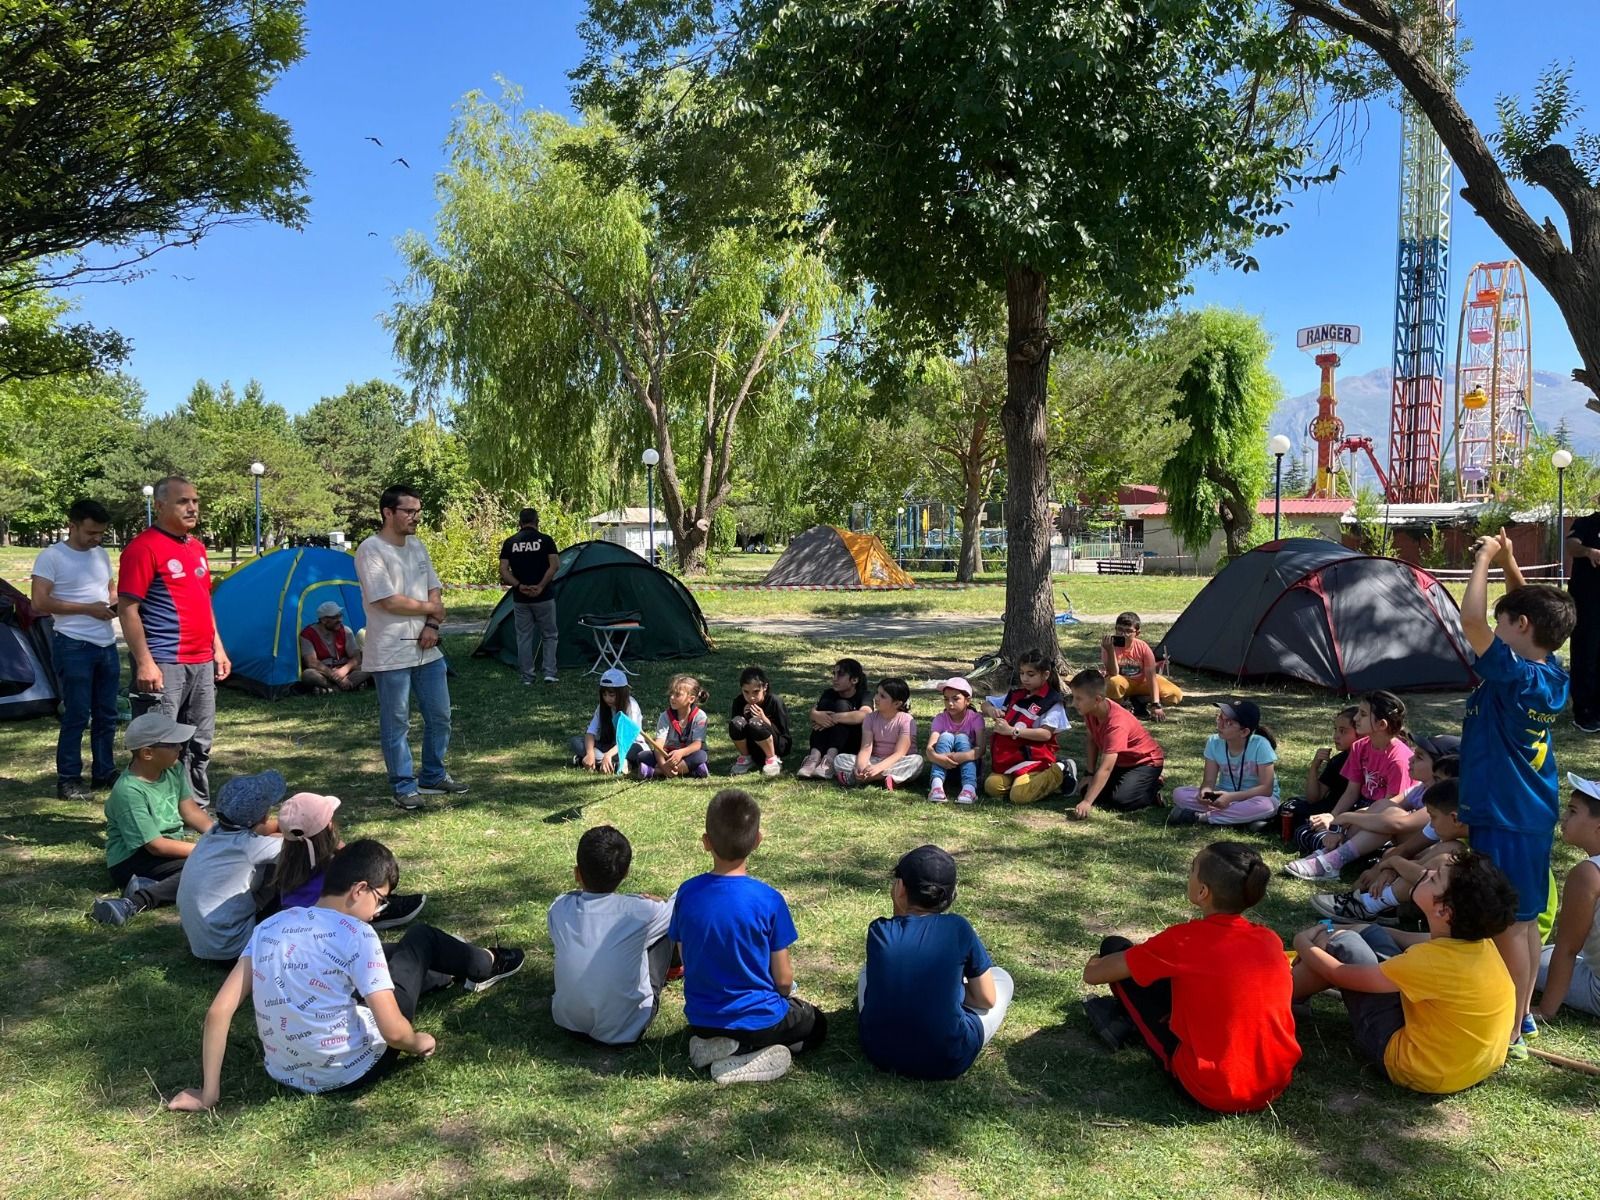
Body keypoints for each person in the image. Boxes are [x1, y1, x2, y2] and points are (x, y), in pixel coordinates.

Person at [165, 839, 525, 1109]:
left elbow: (219, 1011)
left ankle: (440, 973)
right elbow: (394, 1032)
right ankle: (483, 965)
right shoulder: (358, 934)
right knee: (420, 938)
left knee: (391, 961)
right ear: (359, 890)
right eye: (381, 900)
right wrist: (421, 1042)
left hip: (285, 1071)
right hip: (351, 1072)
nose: (378, 911)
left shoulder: (268, 927)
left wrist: (207, 1093)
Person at [1459, 529, 1575, 1054]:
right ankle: (1522, 1016)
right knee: (1524, 916)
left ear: (1520, 627)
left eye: (1509, 622)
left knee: (1507, 919)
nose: (1498, 627)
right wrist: (1510, 561)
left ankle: (1513, 1021)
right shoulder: (1548, 670)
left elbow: (1471, 623)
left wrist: (1483, 560)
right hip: (1528, 810)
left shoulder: (1511, 672)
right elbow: (1522, 615)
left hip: (1504, 811)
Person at [1081, 843, 1300, 1113]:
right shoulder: (1269, 939)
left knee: (1114, 947)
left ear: (1203, 891)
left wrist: (1096, 961)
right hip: (1273, 1082)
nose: (1189, 873)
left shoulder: (1183, 941)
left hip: (1212, 1088)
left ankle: (1125, 1021)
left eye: (1192, 868)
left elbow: (1093, 975)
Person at [1290, 849, 1518, 1093]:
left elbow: (1339, 973)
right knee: (1370, 933)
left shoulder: (1430, 962)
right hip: (1468, 1067)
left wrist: (1303, 941)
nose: (1427, 873)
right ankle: (1297, 990)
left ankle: (1283, 997)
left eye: (1434, 878)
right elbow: (1400, 938)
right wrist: (1358, 927)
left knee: (1344, 944)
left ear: (1443, 911)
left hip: (1414, 1067)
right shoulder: (1480, 944)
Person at [671, 789, 827, 1085]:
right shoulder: (769, 900)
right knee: (816, 1025)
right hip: (760, 1019)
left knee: (759, 1022)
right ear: (757, 841)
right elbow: (782, 981)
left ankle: (714, 1044)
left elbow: (684, 953)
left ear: (706, 842)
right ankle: (748, 1053)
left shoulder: (687, 893)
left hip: (701, 1019)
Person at [117, 476, 230, 804]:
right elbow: (128, 610)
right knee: (158, 745)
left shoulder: (196, 547)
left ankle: (195, 811)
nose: (192, 507)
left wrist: (218, 649)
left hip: (201, 661)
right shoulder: (143, 548)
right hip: (165, 662)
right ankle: (154, 813)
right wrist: (145, 661)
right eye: (183, 501)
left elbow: (203, 601)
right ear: (160, 505)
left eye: (195, 501)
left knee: (199, 742)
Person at [857, 844, 1013, 1079]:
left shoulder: (878, 930)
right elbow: (987, 998)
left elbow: (902, 941)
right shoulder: (958, 928)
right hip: (947, 1059)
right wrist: (951, 989)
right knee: (1003, 978)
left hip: (879, 1053)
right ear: (952, 894)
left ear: (900, 889)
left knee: (867, 973)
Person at [356, 484, 467, 810]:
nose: (415, 517)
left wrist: (432, 624)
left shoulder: (417, 546)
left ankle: (433, 774)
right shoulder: (371, 549)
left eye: (418, 511)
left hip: (428, 648)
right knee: (397, 721)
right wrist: (430, 610)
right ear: (388, 512)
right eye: (408, 511)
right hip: (391, 651)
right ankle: (403, 786)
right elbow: (388, 601)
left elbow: (435, 590)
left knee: (440, 715)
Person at [548, 825, 676, 1046]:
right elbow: (681, 909)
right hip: (625, 1028)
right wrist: (658, 901)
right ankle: (672, 970)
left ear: (577, 873)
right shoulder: (641, 911)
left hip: (567, 1021)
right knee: (666, 928)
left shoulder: (559, 908)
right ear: (625, 872)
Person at [31, 498, 120, 801]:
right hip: (72, 644)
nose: (96, 539)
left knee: (107, 714)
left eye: (100, 534)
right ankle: (68, 779)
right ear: (72, 525)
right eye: (91, 532)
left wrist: (114, 602)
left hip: (106, 643)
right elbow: (39, 602)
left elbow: (109, 589)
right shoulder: (51, 557)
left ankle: (104, 772)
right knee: (77, 715)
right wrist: (87, 610)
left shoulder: (101, 554)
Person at [89, 712, 214, 926]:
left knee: (214, 865)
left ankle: (148, 884)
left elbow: (190, 812)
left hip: (167, 848)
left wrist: (220, 835)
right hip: (132, 859)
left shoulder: (173, 769)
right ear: (148, 753)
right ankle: (133, 902)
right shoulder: (129, 791)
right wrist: (206, 849)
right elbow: (155, 846)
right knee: (206, 869)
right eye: (173, 744)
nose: (180, 748)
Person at [1288, 732, 1457, 883]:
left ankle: (1333, 860)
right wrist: (1340, 827)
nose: (1410, 759)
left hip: (1425, 852)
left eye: (1419, 757)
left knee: (1387, 822)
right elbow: (1380, 807)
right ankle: (1330, 855)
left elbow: (1399, 824)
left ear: (1441, 767)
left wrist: (1347, 817)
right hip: (1404, 844)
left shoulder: (1443, 799)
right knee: (1383, 807)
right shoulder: (1420, 789)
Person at [1282, 692, 1414, 877]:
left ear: (1381, 724)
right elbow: (1351, 792)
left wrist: (1341, 824)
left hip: (1384, 816)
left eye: (1362, 714)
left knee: (1326, 835)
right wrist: (1333, 819)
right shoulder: (1361, 747)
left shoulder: (1399, 758)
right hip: (1362, 808)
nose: (1356, 718)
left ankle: (1332, 859)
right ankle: (1337, 852)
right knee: (1305, 830)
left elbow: (1389, 809)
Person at [1311, 774, 1465, 925]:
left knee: (1448, 857)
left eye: (1433, 817)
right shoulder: (1449, 824)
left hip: (1469, 903)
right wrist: (1386, 869)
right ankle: (1382, 904)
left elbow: (1426, 875)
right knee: (1439, 850)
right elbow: (1406, 849)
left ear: (1455, 819)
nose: (1431, 824)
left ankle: (1370, 905)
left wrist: (1396, 863)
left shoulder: (1484, 840)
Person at [176, 771, 285, 963]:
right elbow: (302, 847)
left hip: (202, 944)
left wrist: (277, 830)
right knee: (289, 864)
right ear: (263, 816)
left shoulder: (212, 833)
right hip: (234, 949)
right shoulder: (250, 847)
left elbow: (262, 831)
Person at [273, 790, 427, 924]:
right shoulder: (335, 869)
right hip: (334, 920)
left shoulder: (286, 865)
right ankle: (379, 906)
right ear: (329, 826)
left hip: (291, 919)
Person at [1535, 773, 1600, 1021]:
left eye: (1572, 811)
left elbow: (1568, 948)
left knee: (1532, 958)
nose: (1563, 817)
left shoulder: (1588, 873)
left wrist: (1546, 1010)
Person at [981, 649, 1076, 805]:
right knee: (992, 787)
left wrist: (1012, 731)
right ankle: (1020, 779)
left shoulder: (1052, 702)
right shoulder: (1016, 694)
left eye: (1030, 674)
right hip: (1009, 759)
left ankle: (1061, 770)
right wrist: (991, 710)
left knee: (1019, 796)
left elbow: (1045, 734)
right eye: (1022, 673)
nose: (1025, 679)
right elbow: (985, 704)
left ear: (1045, 675)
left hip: (1035, 759)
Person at [1068, 668, 1165, 820]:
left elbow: (1106, 768)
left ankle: (1152, 788)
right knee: (1088, 789)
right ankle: (1138, 784)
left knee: (1121, 801)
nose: (1074, 703)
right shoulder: (1090, 711)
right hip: (1121, 762)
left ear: (1098, 699)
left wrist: (1087, 802)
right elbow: (1092, 739)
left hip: (1145, 762)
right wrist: (1089, 773)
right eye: (1074, 697)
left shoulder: (1116, 723)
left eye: (1078, 699)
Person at [1170, 700, 1279, 826]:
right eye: (1220, 717)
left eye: (1228, 722)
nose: (1220, 724)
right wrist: (1205, 793)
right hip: (1222, 794)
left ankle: (1199, 817)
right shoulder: (1213, 742)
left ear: (1244, 732)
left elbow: (1266, 789)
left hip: (1255, 797)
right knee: (1179, 793)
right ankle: (1244, 819)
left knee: (1266, 806)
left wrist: (1231, 797)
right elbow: (1208, 781)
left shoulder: (1261, 745)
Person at [1279, 707, 1360, 849]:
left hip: (1346, 813)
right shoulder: (1338, 761)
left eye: (1343, 731)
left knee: (1302, 824)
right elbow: (1314, 797)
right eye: (1335, 729)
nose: (1336, 736)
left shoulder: (1364, 760)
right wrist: (1314, 766)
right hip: (1328, 808)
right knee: (1289, 807)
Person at [498, 507, 561, 685]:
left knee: (524, 637)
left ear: (519, 523)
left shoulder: (510, 542)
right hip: (544, 597)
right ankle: (549, 673)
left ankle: (527, 676)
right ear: (537, 521)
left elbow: (503, 570)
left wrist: (519, 585)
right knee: (549, 635)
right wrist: (541, 585)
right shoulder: (546, 540)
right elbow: (555, 565)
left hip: (521, 599)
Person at [834, 676, 923, 791]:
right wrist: (861, 767)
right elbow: (866, 748)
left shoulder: (906, 720)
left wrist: (878, 769)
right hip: (874, 760)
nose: (876, 698)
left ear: (896, 703)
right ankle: (888, 778)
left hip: (897, 761)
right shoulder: (870, 718)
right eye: (877, 693)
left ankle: (867, 778)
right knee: (840, 759)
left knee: (917, 761)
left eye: (882, 696)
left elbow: (900, 753)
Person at [797, 659, 872, 779]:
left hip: (850, 742)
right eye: (834, 674)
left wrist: (834, 718)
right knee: (825, 705)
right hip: (827, 739)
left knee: (842, 705)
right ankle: (814, 757)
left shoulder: (864, 695)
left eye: (841, 675)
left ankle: (830, 760)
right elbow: (815, 712)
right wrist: (816, 715)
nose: (835, 678)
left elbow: (866, 714)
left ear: (854, 680)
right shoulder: (829, 693)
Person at [1099, 611, 1182, 717]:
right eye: (1119, 629)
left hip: (1141, 682)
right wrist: (1110, 651)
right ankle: (1121, 705)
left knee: (1175, 695)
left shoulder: (1143, 647)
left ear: (1137, 633)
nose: (1123, 634)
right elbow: (1113, 672)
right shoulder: (1108, 646)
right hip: (1123, 683)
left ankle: (1140, 700)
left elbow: (1151, 677)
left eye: (1128, 631)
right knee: (1113, 682)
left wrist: (1155, 704)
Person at [570, 667, 647, 774]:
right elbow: (590, 733)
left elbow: (627, 739)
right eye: (604, 695)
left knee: (637, 752)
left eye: (611, 695)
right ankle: (614, 764)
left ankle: (596, 762)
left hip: (629, 746)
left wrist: (609, 755)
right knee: (576, 741)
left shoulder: (631, 706)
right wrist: (590, 753)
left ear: (621, 693)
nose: (607, 699)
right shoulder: (602, 707)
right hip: (608, 745)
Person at [1565, 504, 1600, 732]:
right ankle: (1584, 712)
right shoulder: (1586, 523)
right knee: (1586, 653)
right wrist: (1589, 551)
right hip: (1587, 602)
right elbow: (1571, 545)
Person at [925, 676, 986, 805]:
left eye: (955, 699)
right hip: (944, 765)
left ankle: (969, 788)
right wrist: (938, 758)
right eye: (946, 699)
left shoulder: (976, 719)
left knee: (962, 737)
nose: (950, 703)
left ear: (967, 700)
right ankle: (936, 785)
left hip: (969, 766)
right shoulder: (940, 718)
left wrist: (961, 756)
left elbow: (981, 749)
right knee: (946, 736)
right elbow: (930, 749)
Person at [638, 674, 710, 780]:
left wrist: (681, 753)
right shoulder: (665, 716)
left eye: (677, 695)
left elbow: (697, 744)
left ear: (691, 699)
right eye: (671, 693)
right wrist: (663, 764)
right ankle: (692, 770)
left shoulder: (700, 716)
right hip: (667, 754)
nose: (672, 697)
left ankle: (655, 772)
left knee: (701, 756)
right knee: (642, 756)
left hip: (688, 754)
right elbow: (659, 745)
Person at [728, 666, 791, 778]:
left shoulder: (775, 702)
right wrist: (743, 716)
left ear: (765, 687)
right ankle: (746, 758)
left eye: (756, 692)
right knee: (736, 722)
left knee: (755, 723)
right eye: (746, 692)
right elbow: (736, 729)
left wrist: (764, 719)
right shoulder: (739, 702)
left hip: (775, 745)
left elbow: (784, 736)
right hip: (752, 746)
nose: (751, 697)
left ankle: (772, 759)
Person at [298, 601, 370, 693]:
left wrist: (344, 670)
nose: (340, 620)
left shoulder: (346, 631)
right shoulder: (308, 634)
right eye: (335, 617)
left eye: (340, 615)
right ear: (323, 620)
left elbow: (356, 657)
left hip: (345, 672)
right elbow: (311, 662)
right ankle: (348, 686)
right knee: (308, 674)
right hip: (325, 673)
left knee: (369, 667)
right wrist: (335, 676)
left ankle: (331, 690)